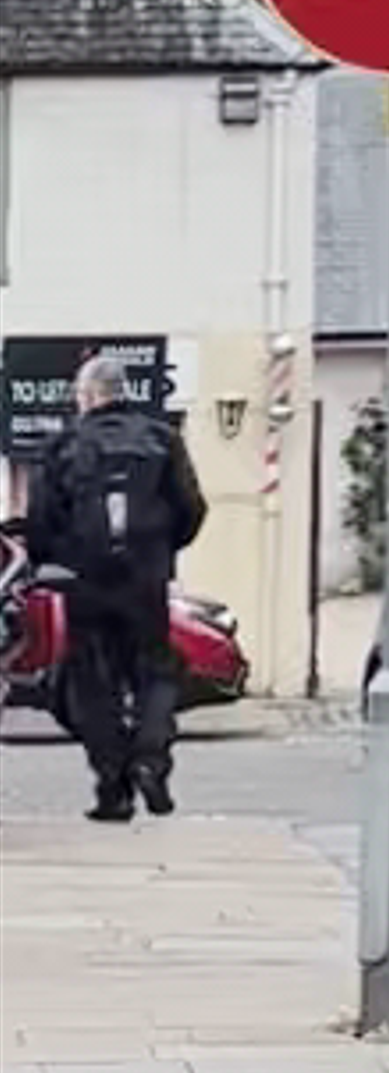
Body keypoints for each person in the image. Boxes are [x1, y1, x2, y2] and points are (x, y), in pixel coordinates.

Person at [27, 350, 207, 826]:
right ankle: (150, 759)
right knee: (155, 670)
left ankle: (114, 788)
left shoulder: (64, 445)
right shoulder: (162, 440)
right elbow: (191, 508)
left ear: (87, 396)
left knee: (91, 683)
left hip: (85, 581)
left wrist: (52, 563)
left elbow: (43, 520)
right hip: (144, 579)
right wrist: (162, 550)